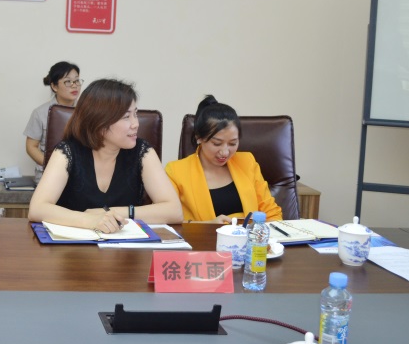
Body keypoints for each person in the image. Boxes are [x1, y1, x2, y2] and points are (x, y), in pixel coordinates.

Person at [28, 79, 182, 231]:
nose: (136, 124)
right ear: (99, 122)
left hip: (125, 245)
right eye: (126, 117)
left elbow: (174, 211)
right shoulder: (67, 151)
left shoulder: (142, 151)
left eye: (135, 114)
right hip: (73, 245)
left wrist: (111, 213)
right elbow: (37, 209)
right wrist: (90, 220)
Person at [164, 95, 283, 224]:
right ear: (199, 138)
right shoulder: (176, 172)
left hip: (250, 236)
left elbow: (272, 213)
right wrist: (207, 226)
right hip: (203, 237)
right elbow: (168, 222)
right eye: (217, 143)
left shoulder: (247, 162)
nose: (225, 152)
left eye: (232, 143)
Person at [23, 61, 82, 182]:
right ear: (54, 86)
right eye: (68, 81)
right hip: (48, 174)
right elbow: (31, 147)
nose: (74, 85)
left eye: (77, 81)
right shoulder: (40, 113)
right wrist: (53, 165)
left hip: (79, 174)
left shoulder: (86, 111)